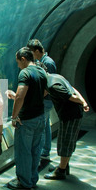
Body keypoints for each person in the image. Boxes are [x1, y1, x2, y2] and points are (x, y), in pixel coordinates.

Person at [6, 47, 47, 190]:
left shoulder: (25, 72)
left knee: (24, 151)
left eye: (18, 62)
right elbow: (46, 90)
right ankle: (32, 179)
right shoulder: (41, 71)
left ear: (23, 59)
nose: (18, 66)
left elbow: (20, 95)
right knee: (36, 150)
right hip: (40, 117)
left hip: (27, 120)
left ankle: (23, 182)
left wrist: (14, 116)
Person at [43, 74, 89, 180]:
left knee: (66, 142)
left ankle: (61, 171)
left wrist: (83, 103)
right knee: (65, 140)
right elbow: (73, 89)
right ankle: (64, 165)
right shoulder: (56, 77)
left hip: (71, 115)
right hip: (70, 114)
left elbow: (71, 96)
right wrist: (84, 101)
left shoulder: (53, 85)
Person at [27, 39, 57, 167]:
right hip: (45, 100)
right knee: (45, 126)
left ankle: (42, 153)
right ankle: (45, 151)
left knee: (42, 128)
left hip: (45, 101)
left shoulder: (48, 63)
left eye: (31, 53)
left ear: (37, 51)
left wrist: (37, 98)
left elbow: (48, 85)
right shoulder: (42, 61)